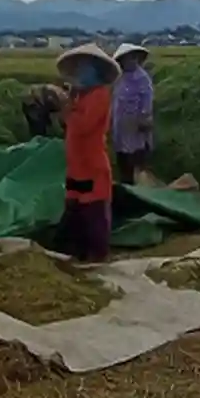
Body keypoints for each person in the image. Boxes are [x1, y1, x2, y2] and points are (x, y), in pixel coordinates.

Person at [53, 44, 121, 263]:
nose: (80, 73)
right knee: (75, 209)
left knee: (94, 212)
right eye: (79, 69)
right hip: (77, 166)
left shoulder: (100, 95)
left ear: (96, 72)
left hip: (92, 166)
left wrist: (67, 110)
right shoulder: (80, 97)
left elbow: (84, 125)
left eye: (85, 69)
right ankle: (75, 253)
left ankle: (97, 257)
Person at [111, 43, 154, 185]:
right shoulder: (119, 78)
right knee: (123, 162)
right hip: (121, 127)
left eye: (134, 57)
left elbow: (147, 100)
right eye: (128, 58)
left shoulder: (142, 78)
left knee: (136, 164)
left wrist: (144, 117)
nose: (131, 61)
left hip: (136, 128)